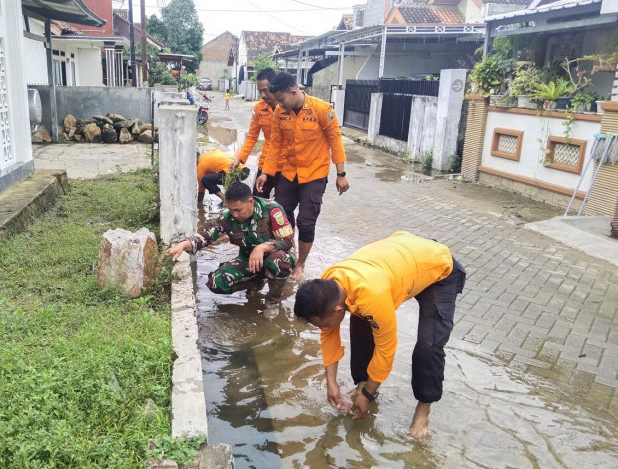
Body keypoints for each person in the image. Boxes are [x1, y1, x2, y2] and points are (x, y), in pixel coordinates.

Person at [293, 232, 466, 438]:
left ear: (338, 310)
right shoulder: (327, 286)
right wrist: (332, 383)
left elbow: (386, 349)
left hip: (438, 268)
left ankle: (423, 410)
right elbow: (329, 334)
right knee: (362, 318)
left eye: (320, 325)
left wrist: (368, 396)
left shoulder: (372, 296)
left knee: (429, 344)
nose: (322, 329)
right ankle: (363, 383)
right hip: (404, 258)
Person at [256, 72, 348, 280]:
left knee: (306, 221)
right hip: (289, 172)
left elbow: (336, 141)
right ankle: (288, 251)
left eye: (281, 99)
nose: (278, 104)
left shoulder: (322, 110)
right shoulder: (281, 112)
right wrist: (265, 173)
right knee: (281, 216)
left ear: (293, 91)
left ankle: (300, 264)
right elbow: (275, 144)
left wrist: (341, 174)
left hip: (314, 174)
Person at [168, 182, 295, 318]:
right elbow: (207, 235)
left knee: (279, 261)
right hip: (247, 259)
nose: (234, 214)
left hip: (275, 256)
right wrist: (183, 244)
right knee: (216, 282)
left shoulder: (272, 209)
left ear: (250, 202)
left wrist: (262, 248)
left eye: (238, 210)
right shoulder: (227, 217)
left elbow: (287, 241)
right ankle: (256, 280)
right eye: (231, 209)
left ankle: (272, 301)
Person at [229, 68, 285, 198]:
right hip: (265, 162)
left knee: (284, 207)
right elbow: (252, 136)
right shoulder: (258, 108)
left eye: (266, 90)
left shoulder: (287, 106)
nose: (263, 95)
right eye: (260, 91)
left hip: (285, 166)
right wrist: (240, 157)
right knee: (257, 200)